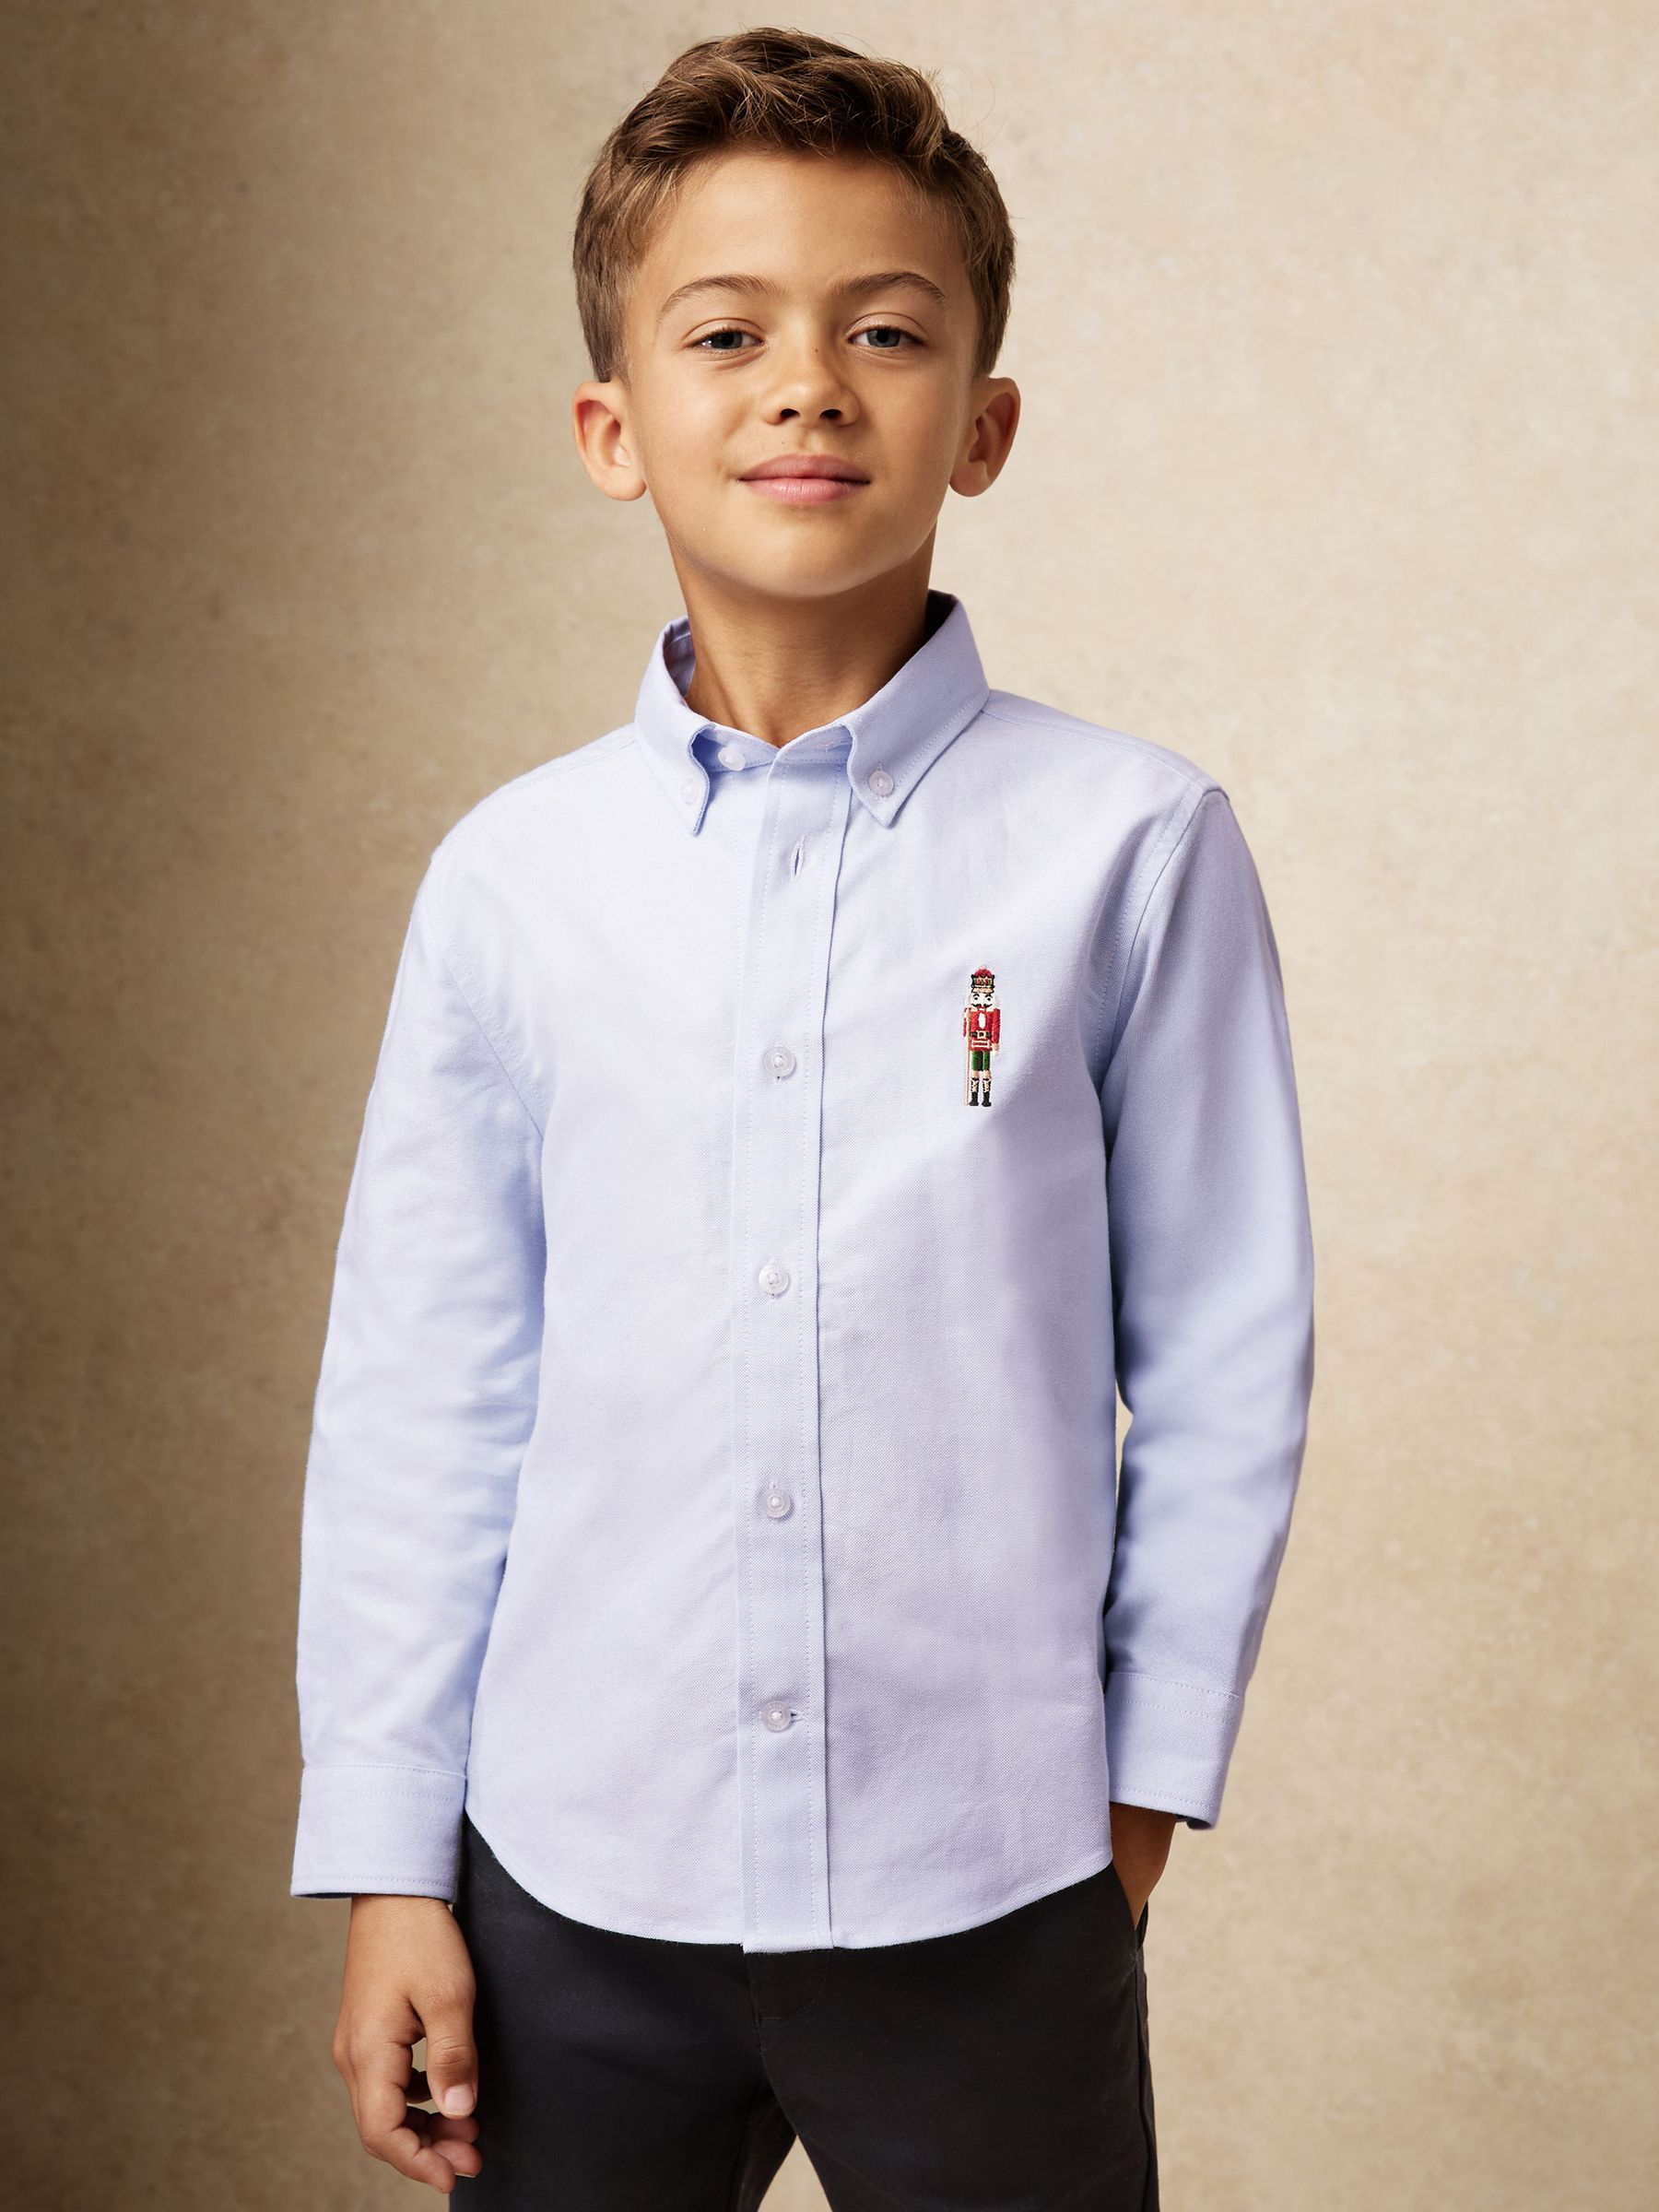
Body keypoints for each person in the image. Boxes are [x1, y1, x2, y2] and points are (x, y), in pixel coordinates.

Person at [289, 26, 1317, 2210]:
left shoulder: (1130, 848)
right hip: (570, 1877)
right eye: (728, 332)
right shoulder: (512, 881)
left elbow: (1229, 1354)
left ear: (985, 421)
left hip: (993, 1880)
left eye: (887, 332)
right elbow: (425, 1385)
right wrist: (390, 1862)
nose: (810, 389)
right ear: (612, 426)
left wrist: (1135, 1798)